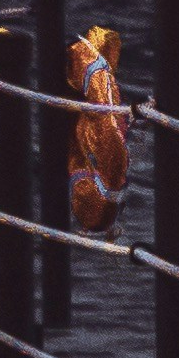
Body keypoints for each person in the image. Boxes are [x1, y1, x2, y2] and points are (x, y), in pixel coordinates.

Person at [64, 24, 132, 234]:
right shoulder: (99, 76)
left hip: (90, 192)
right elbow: (108, 131)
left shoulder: (92, 74)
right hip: (94, 199)